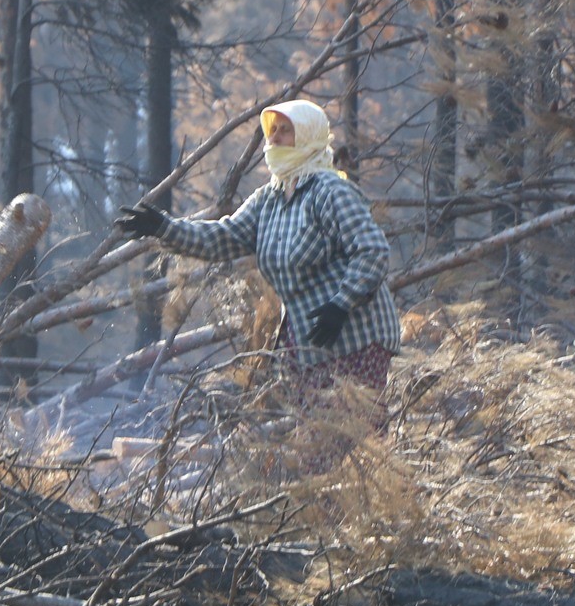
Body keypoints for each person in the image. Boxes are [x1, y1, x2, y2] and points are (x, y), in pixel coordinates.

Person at [115, 99, 400, 395]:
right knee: (311, 435)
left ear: (307, 135)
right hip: (312, 345)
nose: (274, 137)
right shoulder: (269, 199)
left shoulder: (331, 191)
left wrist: (341, 304)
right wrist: (163, 227)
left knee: (352, 435)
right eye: (272, 129)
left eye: (285, 130)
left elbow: (372, 250)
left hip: (359, 338)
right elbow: (222, 238)